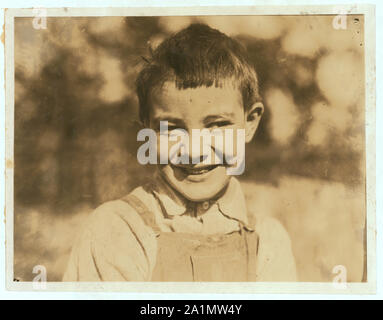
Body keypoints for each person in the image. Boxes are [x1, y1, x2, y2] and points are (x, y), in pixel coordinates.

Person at [63, 23, 297, 282]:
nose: (194, 152)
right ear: (148, 130)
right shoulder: (118, 229)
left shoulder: (267, 240)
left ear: (250, 123)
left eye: (217, 125)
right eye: (172, 128)